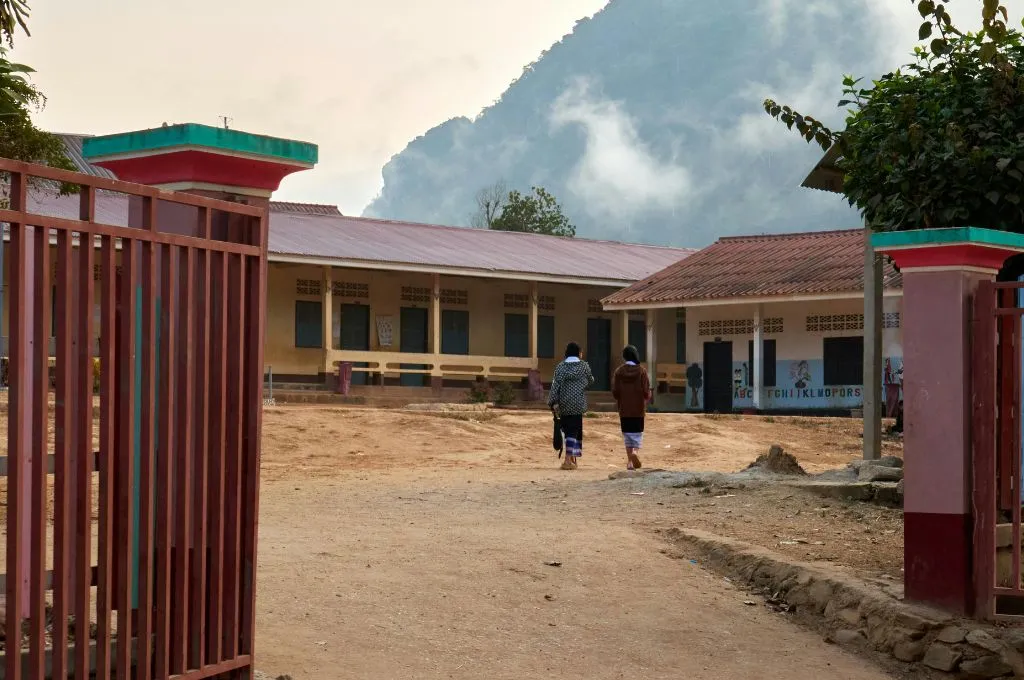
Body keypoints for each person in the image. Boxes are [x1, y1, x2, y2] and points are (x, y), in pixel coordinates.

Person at [547, 342, 595, 470]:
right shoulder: (584, 366)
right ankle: (568, 459)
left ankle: (572, 459)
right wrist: (581, 385)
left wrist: (551, 401)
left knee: (567, 429)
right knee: (574, 431)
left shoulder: (560, 367)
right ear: (579, 353)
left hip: (563, 402)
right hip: (578, 402)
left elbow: (555, 385)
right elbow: (591, 380)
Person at [612, 345, 652, 470]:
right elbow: (646, 391)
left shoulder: (618, 371)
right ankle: (635, 452)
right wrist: (647, 397)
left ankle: (629, 462)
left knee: (627, 435)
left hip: (624, 409)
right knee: (637, 434)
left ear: (624, 356)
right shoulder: (642, 371)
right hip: (638, 409)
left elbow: (615, 392)